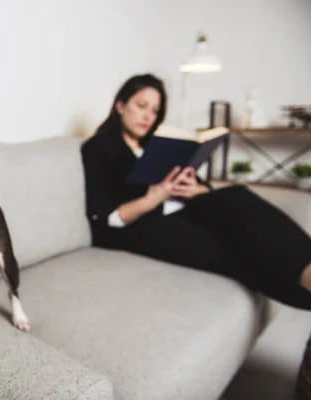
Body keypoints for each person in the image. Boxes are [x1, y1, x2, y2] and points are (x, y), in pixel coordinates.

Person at [80, 73, 311, 399]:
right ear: (120, 106)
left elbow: (184, 189)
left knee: (237, 198)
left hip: (177, 208)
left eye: (155, 110)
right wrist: (155, 197)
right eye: (141, 106)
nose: (149, 115)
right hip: (139, 226)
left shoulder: (153, 147)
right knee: (232, 249)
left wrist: (195, 188)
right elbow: (105, 219)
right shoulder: (99, 148)